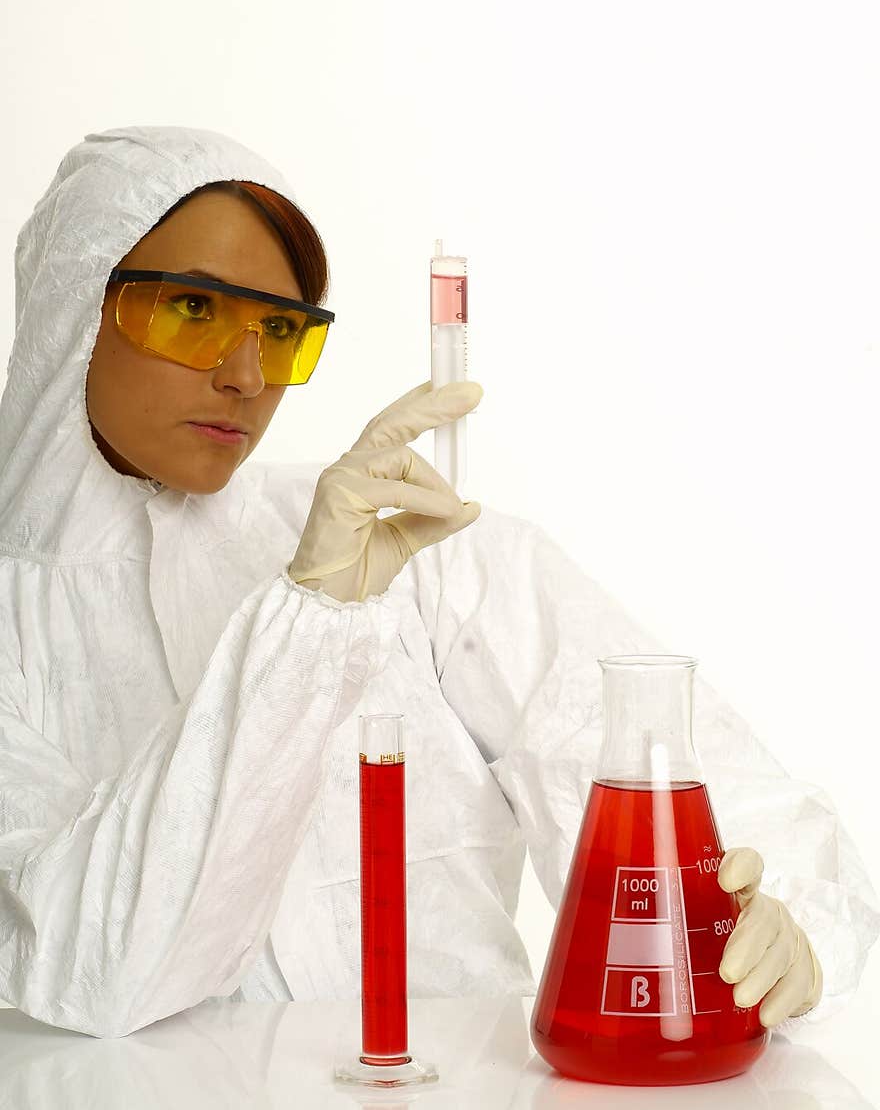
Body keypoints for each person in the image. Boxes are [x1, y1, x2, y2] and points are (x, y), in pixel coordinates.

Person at [0, 125, 876, 1040]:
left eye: (282, 329)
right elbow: (89, 967)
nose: (248, 376)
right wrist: (308, 618)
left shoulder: (411, 547)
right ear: (74, 307)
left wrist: (791, 924)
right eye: (193, 310)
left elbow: (695, 788)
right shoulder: (33, 631)